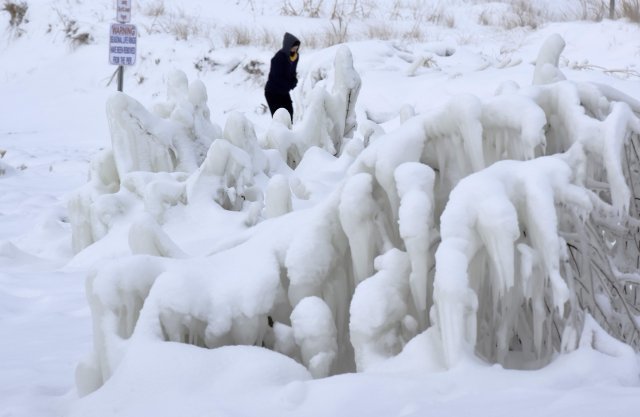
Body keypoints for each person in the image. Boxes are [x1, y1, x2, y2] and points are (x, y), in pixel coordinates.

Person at [265, 32, 300, 121]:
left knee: (289, 115)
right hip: (272, 93)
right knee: (279, 119)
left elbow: (292, 73)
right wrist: (290, 84)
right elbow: (277, 79)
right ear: (288, 46)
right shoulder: (278, 59)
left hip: (284, 92)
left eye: (297, 48)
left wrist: (294, 80)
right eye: (293, 47)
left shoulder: (295, 56)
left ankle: (289, 134)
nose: (295, 50)